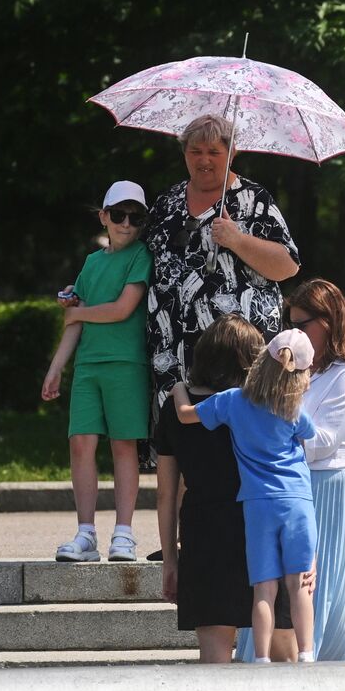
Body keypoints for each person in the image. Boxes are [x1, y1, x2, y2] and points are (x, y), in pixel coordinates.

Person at [143, 114, 301, 465]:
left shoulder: (253, 200)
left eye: (213, 151)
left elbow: (287, 264)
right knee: (183, 456)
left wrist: (237, 240)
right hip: (174, 356)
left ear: (232, 154)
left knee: (235, 455)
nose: (203, 160)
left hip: (236, 359)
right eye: (195, 150)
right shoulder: (167, 202)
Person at [154, 315, 300, 662]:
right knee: (284, 652)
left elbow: (164, 493)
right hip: (264, 524)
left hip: (205, 534)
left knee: (214, 658)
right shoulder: (265, 405)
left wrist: (171, 560)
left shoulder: (177, 409)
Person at [42, 181, 153, 562]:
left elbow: (122, 309)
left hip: (127, 365)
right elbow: (74, 323)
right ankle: (85, 533)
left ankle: (124, 534)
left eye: (135, 216)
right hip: (88, 366)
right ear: (104, 216)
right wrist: (56, 368)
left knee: (124, 446)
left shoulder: (141, 255)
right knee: (80, 444)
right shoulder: (92, 262)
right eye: (118, 214)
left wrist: (77, 311)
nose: (126, 223)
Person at [279, 278, 345, 660]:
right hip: (298, 482)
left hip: (335, 484)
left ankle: (316, 668)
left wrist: (272, 442)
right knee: (295, 585)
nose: (295, 334)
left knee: (323, 586)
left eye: (302, 326)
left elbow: (322, 443)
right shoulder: (304, 371)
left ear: (329, 322)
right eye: (291, 326)